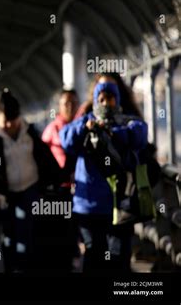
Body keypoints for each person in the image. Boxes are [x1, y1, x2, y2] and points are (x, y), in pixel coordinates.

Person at [60, 81, 148, 272]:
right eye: (100, 99)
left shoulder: (126, 121)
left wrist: (113, 133)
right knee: (93, 258)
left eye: (109, 98)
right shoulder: (85, 121)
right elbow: (65, 138)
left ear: (117, 99)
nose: (105, 103)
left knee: (118, 259)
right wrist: (87, 127)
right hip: (89, 207)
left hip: (120, 206)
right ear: (94, 101)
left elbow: (140, 134)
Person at [0, 89, 61, 272]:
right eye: (4, 121)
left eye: (13, 120)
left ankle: (26, 268)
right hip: (6, 195)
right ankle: (11, 267)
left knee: (27, 233)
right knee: (9, 237)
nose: (9, 125)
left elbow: (45, 158)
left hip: (30, 189)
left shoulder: (29, 131)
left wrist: (56, 180)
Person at [41, 89, 79, 271]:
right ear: (59, 106)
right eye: (66, 103)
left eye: (73, 103)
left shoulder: (83, 127)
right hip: (59, 193)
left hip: (80, 192)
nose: (70, 107)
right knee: (63, 237)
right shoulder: (52, 130)